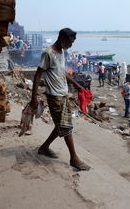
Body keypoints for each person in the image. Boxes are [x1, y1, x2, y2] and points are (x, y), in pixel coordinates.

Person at [30, 28, 90, 171]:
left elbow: (62, 72)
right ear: (61, 37)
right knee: (66, 125)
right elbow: (38, 75)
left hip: (63, 94)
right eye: (70, 42)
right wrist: (33, 97)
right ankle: (74, 158)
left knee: (61, 124)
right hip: (54, 95)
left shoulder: (61, 52)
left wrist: (77, 85)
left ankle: (44, 147)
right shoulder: (48, 53)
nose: (70, 46)